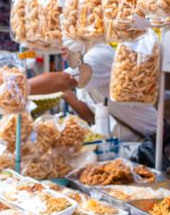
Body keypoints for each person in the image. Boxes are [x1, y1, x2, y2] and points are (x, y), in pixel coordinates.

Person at [29, 43, 157, 142]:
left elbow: (64, 79)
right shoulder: (84, 61)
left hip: (148, 143)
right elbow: (90, 115)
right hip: (122, 144)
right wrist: (64, 93)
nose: (61, 47)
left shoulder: (98, 56)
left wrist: (16, 85)